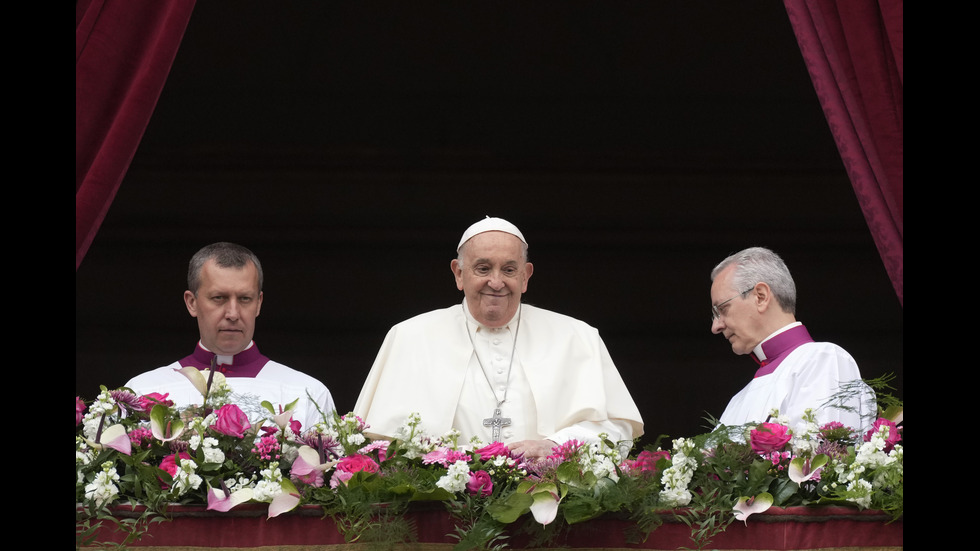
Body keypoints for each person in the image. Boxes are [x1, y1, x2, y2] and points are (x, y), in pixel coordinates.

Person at [353, 217, 643, 459]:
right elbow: (380, 444)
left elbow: (616, 429)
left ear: (525, 277)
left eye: (509, 269)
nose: (496, 282)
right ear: (458, 273)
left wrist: (555, 447)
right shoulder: (410, 337)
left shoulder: (577, 336)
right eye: (483, 268)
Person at [125, 242, 335, 430]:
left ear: (259, 303)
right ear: (192, 302)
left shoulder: (307, 393)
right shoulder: (144, 390)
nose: (233, 314)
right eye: (219, 298)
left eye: (245, 298)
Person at [709, 246, 875, 433]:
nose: (716, 326)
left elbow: (826, 458)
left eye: (722, 309)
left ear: (761, 296)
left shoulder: (822, 359)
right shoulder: (736, 401)